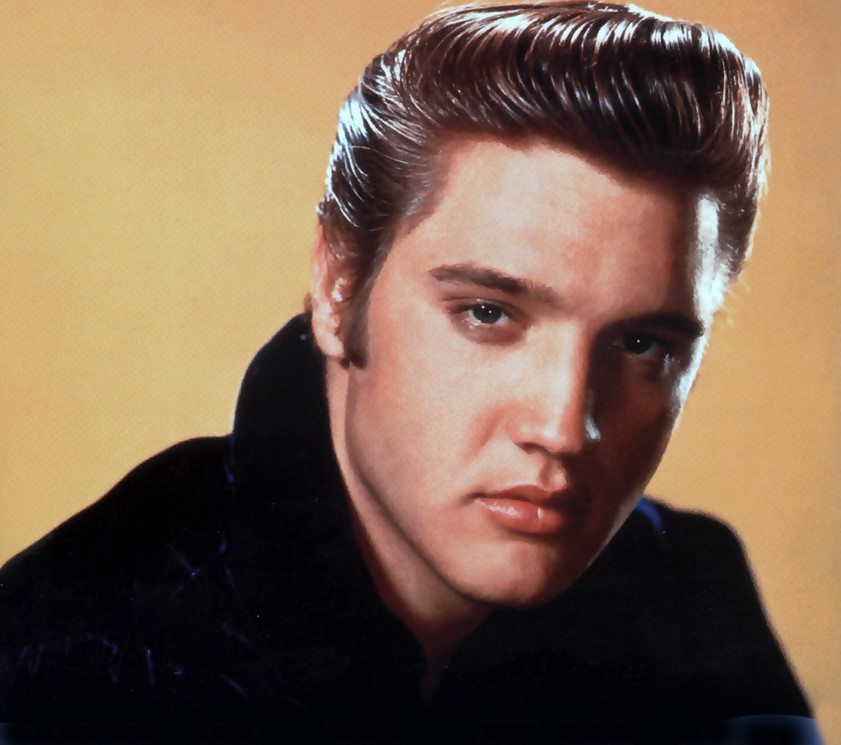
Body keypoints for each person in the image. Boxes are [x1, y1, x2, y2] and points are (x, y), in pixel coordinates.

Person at [0, 2, 820, 743]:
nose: (563, 427)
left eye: (642, 343)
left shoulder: (693, 600)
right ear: (337, 287)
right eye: (488, 312)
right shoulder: (75, 651)